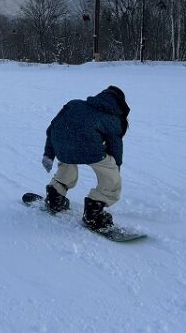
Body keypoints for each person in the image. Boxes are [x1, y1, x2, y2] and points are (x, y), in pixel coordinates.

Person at [40, 86, 130, 230]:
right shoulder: (112, 119)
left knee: (67, 162)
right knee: (110, 174)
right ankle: (93, 212)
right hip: (89, 148)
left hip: (61, 146)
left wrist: (49, 154)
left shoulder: (74, 104)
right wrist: (115, 168)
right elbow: (115, 147)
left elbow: (53, 127)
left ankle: (55, 196)